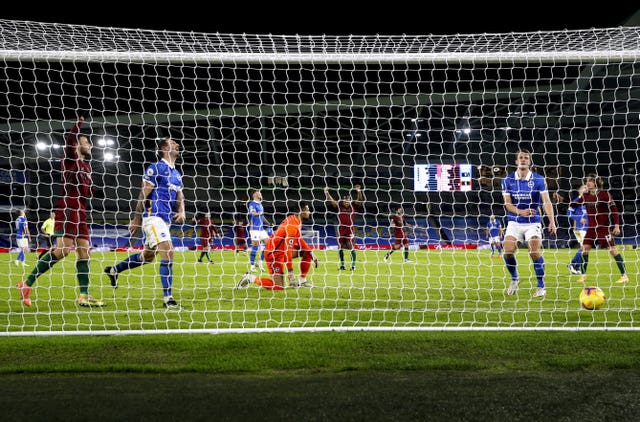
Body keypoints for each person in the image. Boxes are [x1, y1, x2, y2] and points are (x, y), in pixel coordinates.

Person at [16, 116, 104, 307]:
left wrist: (94, 189)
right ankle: (26, 284)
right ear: (78, 145)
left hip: (81, 210)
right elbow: (70, 139)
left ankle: (84, 294)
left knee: (84, 253)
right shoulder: (70, 160)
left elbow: (87, 191)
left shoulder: (87, 166)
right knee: (63, 250)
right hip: (68, 207)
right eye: (86, 141)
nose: (89, 145)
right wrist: (79, 123)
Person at [104, 137, 185, 308]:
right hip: (153, 217)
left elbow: (180, 195)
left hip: (166, 219)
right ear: (164, 148)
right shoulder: (155, 168)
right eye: (172, 143)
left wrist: (182, 210)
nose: (177, 144)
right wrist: (136, 218)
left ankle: (114, 270)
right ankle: (168, 298)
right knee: (169, 252)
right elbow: (143, 193)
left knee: (147, 257)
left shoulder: (177, 174)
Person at [501, 149, 556, 298]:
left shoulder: (538, 179)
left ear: (530, 161)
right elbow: (507, 203)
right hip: (514, 221)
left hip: (533, 222)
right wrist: (520, 211)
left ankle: (541, 287)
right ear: (516, 162)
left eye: (526, 158)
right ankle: (514, 278)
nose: (524, 160)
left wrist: (552, 221)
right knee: (507, 251)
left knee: (534, 251)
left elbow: (546, 201)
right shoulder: (507, 180)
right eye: (521, 157)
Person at [236, 202, 317, 290]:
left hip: (280, 250)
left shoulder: (294, 219)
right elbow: (288, 250)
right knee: (278, 287)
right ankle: (250, 278)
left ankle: (302, 281)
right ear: (301, 212)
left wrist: (311, 252)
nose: (309, 212)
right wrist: (290, 272)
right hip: (273, 254)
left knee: (307, 252)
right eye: (307, 210)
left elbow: (299, 238)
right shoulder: (292, 226)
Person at [569, 174, 628, 284]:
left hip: (603, 228)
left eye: (590, 181)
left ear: (596, 182)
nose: (587, 183)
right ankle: (583, 276)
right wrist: (562, 199)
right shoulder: (585, 195)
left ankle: (624, 275)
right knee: (584, 251)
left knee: (613, 250)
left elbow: (614, 210)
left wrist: (616, 225)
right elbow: (574, 205)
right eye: (586, 181)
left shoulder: (604, 194)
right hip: (591, 229)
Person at [324, 184, 364, 270]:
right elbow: (330, 200)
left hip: (350, 229)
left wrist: (358, 191)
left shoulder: (354, 206)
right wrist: (326, 192)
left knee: (350, 245)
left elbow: (360, 199)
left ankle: (353, 266)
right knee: (340, 246)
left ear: (350, 201)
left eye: (348, 200)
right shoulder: (339, 206)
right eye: (345, 200)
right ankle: (342, 265)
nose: (347, 202)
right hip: (341, 229)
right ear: (343, 201)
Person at [566, 185, 588, 274]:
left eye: (587, 188)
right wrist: (579, 218)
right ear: (579, 190)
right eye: (584, 188)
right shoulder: (576, 201)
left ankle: (577, 267)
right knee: (584, 248)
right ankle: (572, 264)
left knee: (585, 249)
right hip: (580, 228)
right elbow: (568, 213)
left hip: (588, 228)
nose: (586, 189)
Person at [247, 189, 271, 272]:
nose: (260, 193)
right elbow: (253, 213)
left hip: (261, 229)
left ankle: (260, 262)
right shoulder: (252, 204)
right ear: (254, 195)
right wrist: (260, 213)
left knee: (269, 245)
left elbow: (262, 216)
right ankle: (252, 266)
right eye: (258, 192)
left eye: (260, 192)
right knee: (255, 247)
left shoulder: (260, 204)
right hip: (254, 229)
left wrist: (268, 223)